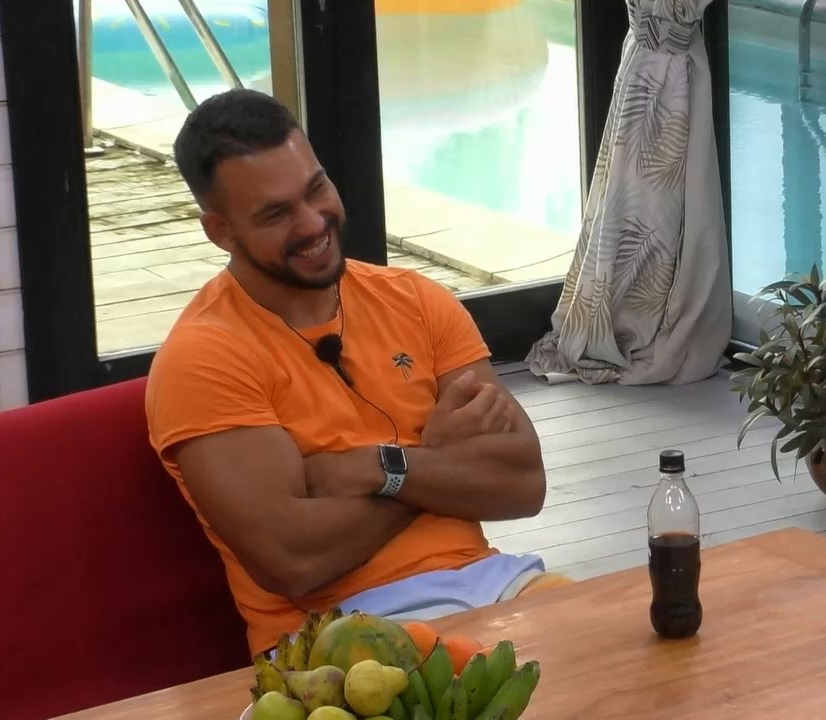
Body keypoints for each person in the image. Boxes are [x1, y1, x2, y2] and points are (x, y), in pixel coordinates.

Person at [144, 89, 567, 659]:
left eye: (316, 188)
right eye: (276, 214)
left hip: (497, 583)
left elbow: (521, 483)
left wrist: (376, 467)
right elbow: (296, 561)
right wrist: (429, 461)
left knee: (637, 653)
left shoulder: (415, 299)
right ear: (220, 231)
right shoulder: (203, 359)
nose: (312, 222)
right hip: (336, 637)